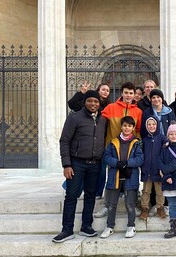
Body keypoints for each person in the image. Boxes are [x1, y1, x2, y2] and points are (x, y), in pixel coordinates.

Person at [53, 90, 107, 243]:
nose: (93, 104)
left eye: (96, 102)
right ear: (85, 102)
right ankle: (67, 229)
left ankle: (86, 226)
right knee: (71, 196)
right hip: (77, 163)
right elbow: (64, 141)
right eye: (90, 101)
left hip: (95, 164)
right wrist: (66, 164)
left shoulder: (103, 120)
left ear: (99, 103)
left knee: (90, 195)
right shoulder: (74, 118)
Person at [94, 82, 142, 218]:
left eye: (131, 93)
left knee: (132, 178)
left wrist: (137, 146)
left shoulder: (138, 111)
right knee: (111, 179)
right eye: (126, 92)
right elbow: (100, 127)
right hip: (113, 149)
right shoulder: (110, 108)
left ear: (134, 95)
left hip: (131, 150)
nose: (128, 95)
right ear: (122, 93)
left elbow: (138, 131)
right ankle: (107, 206)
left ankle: (132, 206)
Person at [100, 116, 144, 238]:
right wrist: (117, 163)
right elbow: (107, 157)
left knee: (130, 203)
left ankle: (131, 225)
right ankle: (109, 226)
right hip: (115, 176)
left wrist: (127, 163)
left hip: (130, 176)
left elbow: (140, 159)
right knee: (112, 203)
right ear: (121, 126)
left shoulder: (136, 143)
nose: (127, 128)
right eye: (125, 125)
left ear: (133, 128)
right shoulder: (113, 142)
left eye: (130, 126)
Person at [139, 117, 168, 220]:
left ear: (157, 125)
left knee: (160, 191)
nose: (151, 126)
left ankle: (160, 207)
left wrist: (163, 167)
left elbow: (165, 153)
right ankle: (144, 208)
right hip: (147, 169)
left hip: (158, 169)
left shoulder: (162, 138)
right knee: (146, 191)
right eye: (149, 125)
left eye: (153, 124)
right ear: (146, 126)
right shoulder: (145, 140)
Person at [94, 83, 111, 199]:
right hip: (95, 140)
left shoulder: (109, 106)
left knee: (102, 169)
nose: (105, 92)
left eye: (107, 90)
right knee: (98, 169)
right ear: (98, 90)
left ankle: (98, 192)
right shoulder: (92, 104)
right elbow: (73, 104)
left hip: (106, 139)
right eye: (103, 89)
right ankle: (96, 192)